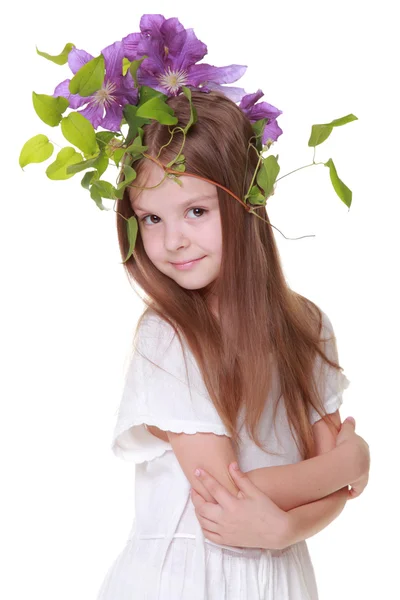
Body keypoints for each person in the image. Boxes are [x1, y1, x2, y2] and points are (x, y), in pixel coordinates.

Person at [96, 90, 370, 600]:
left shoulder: (307, 325)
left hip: (281, 577)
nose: (172, 240)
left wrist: (288, 529)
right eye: (152, 218)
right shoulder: (169, 337)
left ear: (247, 203)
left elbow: (325, 487)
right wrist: (350, 463)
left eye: (195, 211)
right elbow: (220, 495)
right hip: (181, 580)